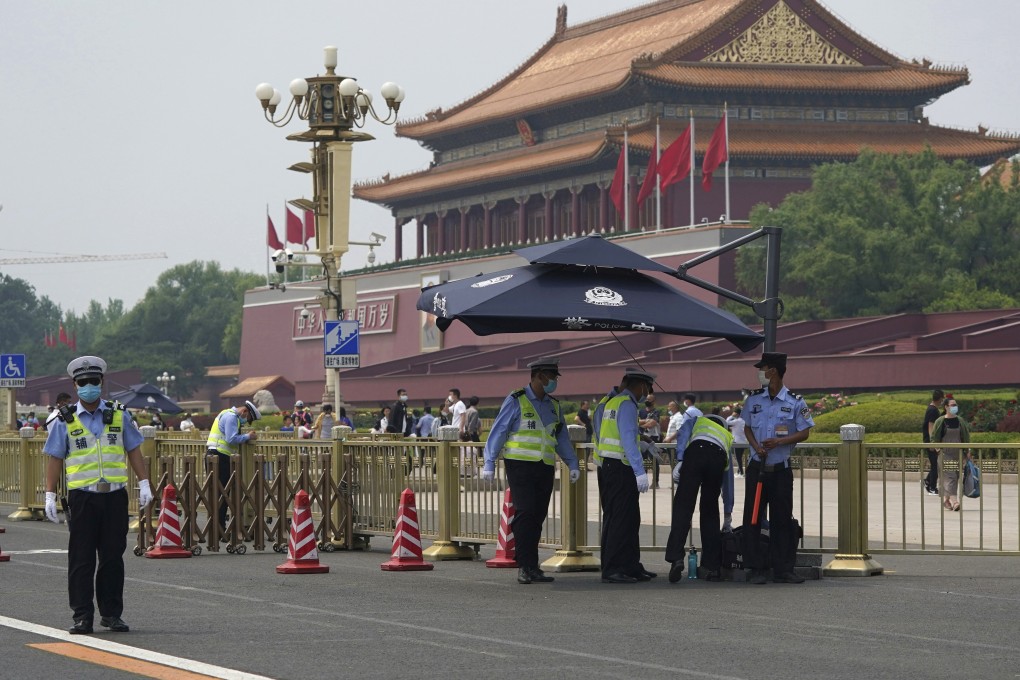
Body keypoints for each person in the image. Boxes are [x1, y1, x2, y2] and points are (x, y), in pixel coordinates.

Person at [42, 356, 154, 635]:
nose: (89, 386)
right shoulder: (63, 420)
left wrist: (144, 483)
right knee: (81, 558)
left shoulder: (119, 414)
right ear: (75, 385)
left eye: (94, 381)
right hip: (82, 497)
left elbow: (133, 449)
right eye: (83, 382)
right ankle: (82, 616)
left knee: (113, 557)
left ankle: (112, 614)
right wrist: (48, 494)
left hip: (114, 496)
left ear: (102, 383)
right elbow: (55, 458)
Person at [480, 357, 580, 584]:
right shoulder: (516, 400)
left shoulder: (554, 406)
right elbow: (499, 432)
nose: (554, 381)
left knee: (537, 516)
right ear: (538, 376)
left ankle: (532, 566)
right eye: (552, 376)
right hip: (520, 465)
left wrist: (572, 463)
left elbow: (561, 437)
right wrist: (489, 463)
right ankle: (524, 565)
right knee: (525, 513)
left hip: (544, 466)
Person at [741, 351, 814, 585]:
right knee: (752, 518)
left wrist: (779, 442)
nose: (760, 373)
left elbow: (805, 432)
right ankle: (755, 568)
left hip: (781, 470)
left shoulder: (795, 401)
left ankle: (783, 569)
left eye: (763, 369)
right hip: (757, 468)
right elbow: (748, 428)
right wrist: (756, 448)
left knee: (782, 519)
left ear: (773, 371)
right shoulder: (753, 399)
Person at [593, 368, 658, 584]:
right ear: (640, 385)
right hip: (621, 467)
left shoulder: (613, 402)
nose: (646, 393)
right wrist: (640, 472)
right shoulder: (628, 405)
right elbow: (628, 440)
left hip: (613, 466)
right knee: (621, 519)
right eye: (647, 388)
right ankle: (613, 568)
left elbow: (620, 435)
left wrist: (644, 442)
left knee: (627, 518)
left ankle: (630, 566)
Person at [664, 414, 735, 582]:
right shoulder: (726, 437)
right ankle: (711, 568)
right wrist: (727, 513)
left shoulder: (696, 420)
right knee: (710, 511)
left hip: (696, 453)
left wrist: (681, 459)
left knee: (683, 506)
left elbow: (682, 434)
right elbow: (728, 481)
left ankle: (676, 558)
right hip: (717, 458)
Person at [206, 399, 261, 533]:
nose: (246, 422)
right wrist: (247, 436)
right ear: (244, 411)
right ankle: (219, 529)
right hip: (220, 456)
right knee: (223, 494)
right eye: (247, 418)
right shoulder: (231, 418)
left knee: (216, 493)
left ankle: (216, 528)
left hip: (213, 455)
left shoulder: (225, 412)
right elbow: (231, 438)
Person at [930, 396, 971, 512]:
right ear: (946, 407)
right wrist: (938, 449)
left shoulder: (960, 421)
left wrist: (967, 451)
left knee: (954, 477)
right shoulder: (940, 421)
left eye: (955, 405)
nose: (955, 407)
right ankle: (955, 501)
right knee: (950, 477)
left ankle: (945, 500)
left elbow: (966, 437)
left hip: (958, 453)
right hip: (945, 453)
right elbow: (934, 438)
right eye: (952, 405)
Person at [922, 389, 945, 496]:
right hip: (930, 442)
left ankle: (927, 481)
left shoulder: (933, 409)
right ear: (940, 398)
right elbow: (930, 426)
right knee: (935, 465)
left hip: (931, 441)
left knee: (935, 464)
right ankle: (932, 487)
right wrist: (933, 443)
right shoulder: (932, 410)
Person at [638, 392, 662, 488]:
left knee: (654, 460)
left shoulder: (656, 412)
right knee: (643, 460)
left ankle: (655, 482)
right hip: (643, 438)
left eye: (650, 400)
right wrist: (645, 422)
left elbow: (651, 424)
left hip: (653, 439)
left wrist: (641, 424)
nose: (647, 401)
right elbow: (636, 422)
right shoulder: (641, 412)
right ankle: (643, 481)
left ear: (654, 401)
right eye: (647, 400)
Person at [726, 405, 748, 477]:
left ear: (737, 413)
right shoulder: (744, 421)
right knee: (740, 457)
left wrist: (731, 416)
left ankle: (741, 472)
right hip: (743, 441)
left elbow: (726, 422)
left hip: (737, 442)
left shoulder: (737, 421)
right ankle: (739, 472)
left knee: (738, 458)